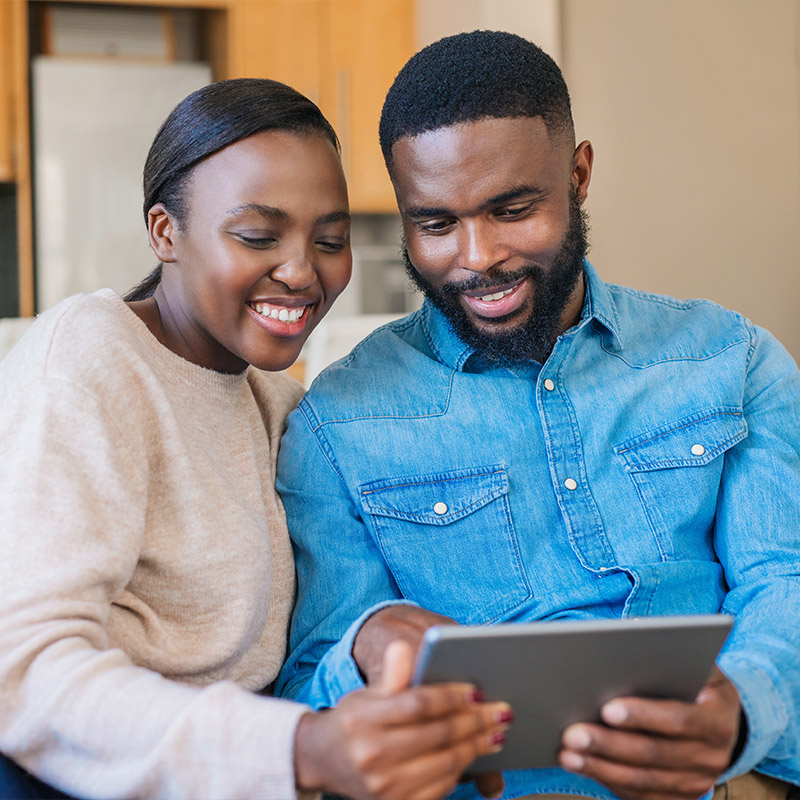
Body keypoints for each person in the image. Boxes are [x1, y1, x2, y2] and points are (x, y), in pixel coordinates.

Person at [275, 31, 800, 800]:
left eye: (512, 209)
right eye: (434, 224)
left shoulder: (731, 359)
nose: (477, 256)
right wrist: (363, 647)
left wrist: (741, 711)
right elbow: (306, 689)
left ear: (579, 175)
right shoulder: (337, 424)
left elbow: (784, 580)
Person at [0, 77, 513, 800]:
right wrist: (303, 749)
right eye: (256, 236)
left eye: (330, 240)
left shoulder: (277, 404)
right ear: (164, 232)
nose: (303, 271)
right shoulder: (88, 361)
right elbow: (22, 671)